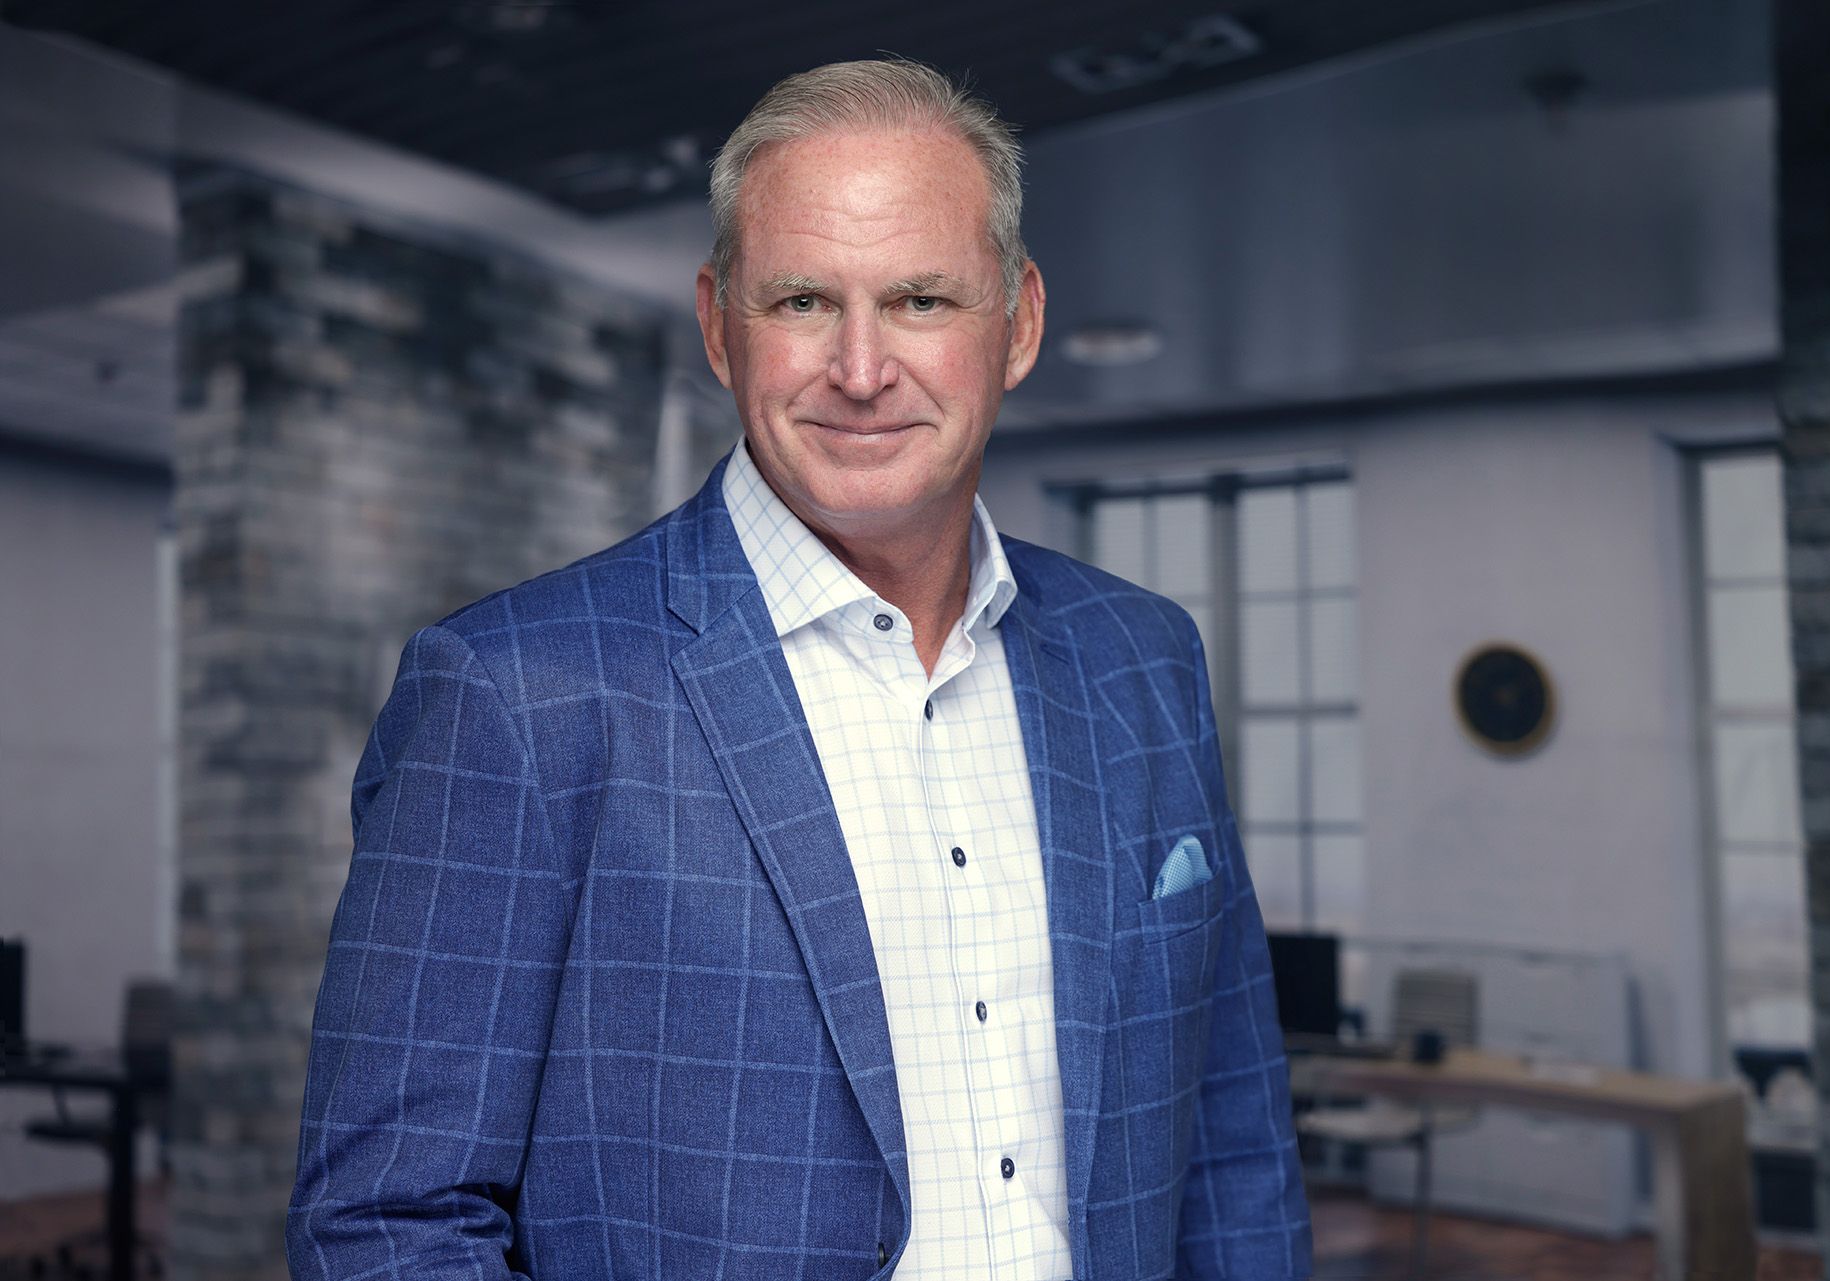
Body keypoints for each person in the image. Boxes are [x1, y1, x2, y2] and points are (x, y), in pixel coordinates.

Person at [288, 58, 1312, 1281]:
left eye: (924, 299)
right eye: (803, 304)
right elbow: (387, 1228)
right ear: (721, 325)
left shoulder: (1144, 659)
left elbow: (1232, 1147)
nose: (865, 369)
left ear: (1020, 323)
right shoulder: (517, 693)